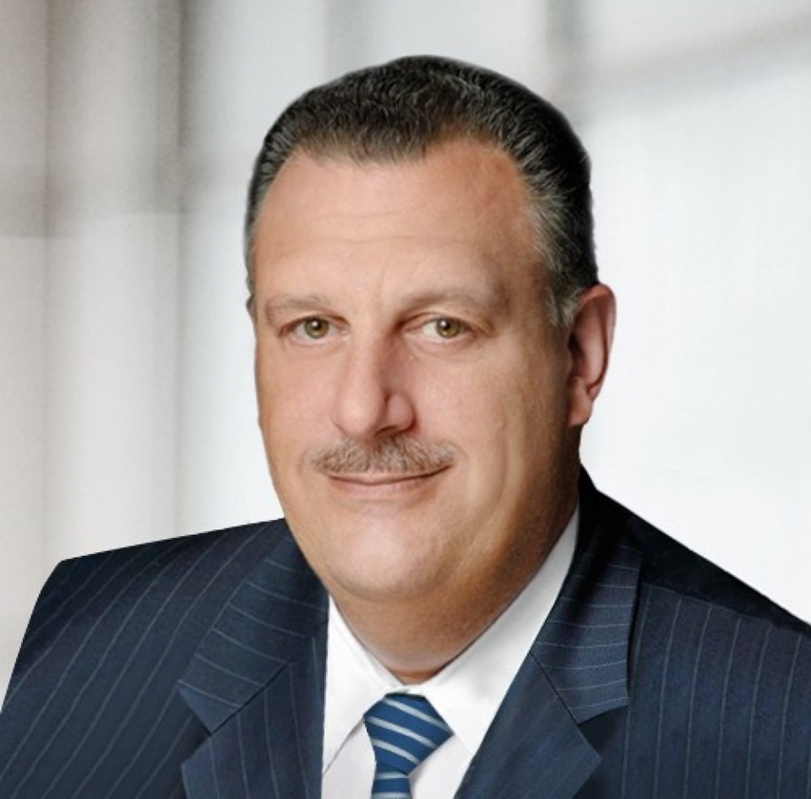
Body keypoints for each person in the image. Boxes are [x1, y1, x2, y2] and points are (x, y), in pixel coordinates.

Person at [0, 55, 808, 799]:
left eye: (442, 326)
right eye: (314, 327)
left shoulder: (780, 730)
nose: (364, 410)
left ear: (578, 355)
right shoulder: (89, 644)